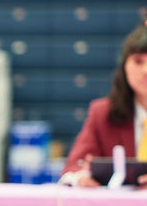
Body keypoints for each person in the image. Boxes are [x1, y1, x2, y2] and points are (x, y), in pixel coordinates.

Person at [62, 23, 147, 186]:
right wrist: (80, 178)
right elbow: (72, 169)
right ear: (124, 66)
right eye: (138, 61)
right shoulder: (102, 113)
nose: (146, 71)